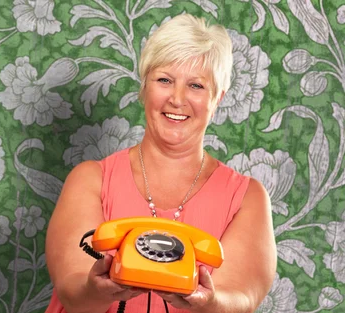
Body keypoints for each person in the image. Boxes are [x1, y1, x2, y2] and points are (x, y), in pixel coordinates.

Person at [44, 13, 277, 313]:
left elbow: (242, 298)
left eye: (196, 86)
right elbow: (72, 291)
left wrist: (210, 301)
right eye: (165, 80)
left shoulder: (247, 198)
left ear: (218, 98)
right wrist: (96, 288)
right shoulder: (90, 179)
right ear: (144, 87)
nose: (177, 99)